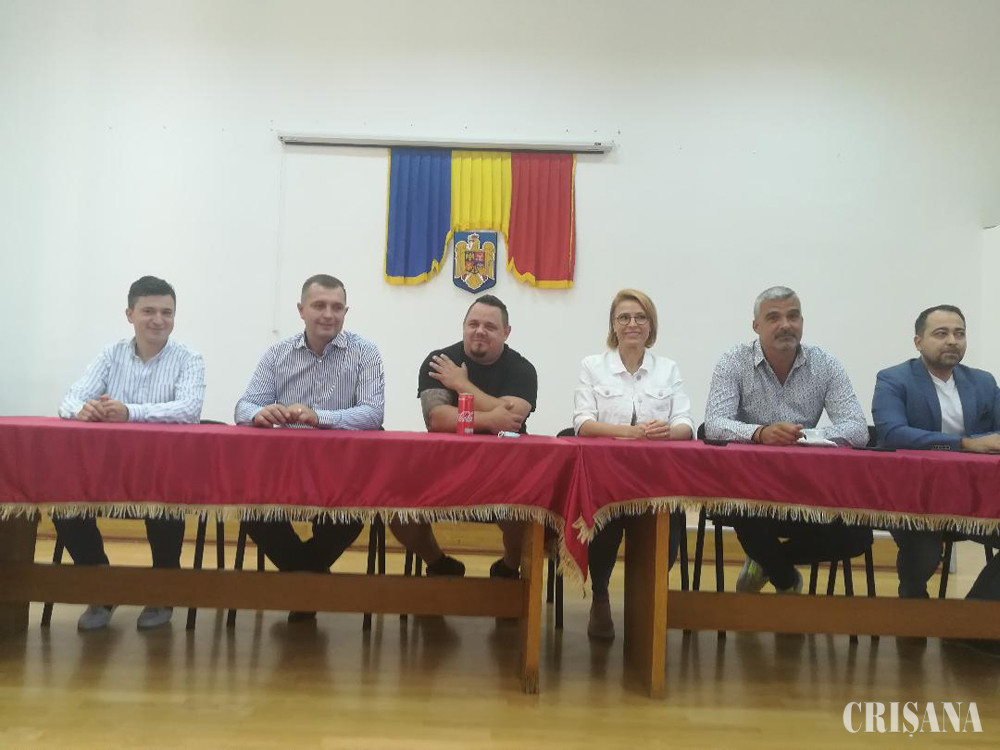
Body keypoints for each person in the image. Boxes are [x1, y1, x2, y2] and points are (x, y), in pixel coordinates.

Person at [55, 275, 205, 630]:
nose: (158, 320)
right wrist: (83, 410)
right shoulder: (111, 354)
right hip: (105, 473)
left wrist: (129, 412)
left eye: (167, 312)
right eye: (149, 311)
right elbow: (70, 399)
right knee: (63, 506)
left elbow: (189, 410)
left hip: (162, 474)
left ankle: (161, 592)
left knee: (166, 505)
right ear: (130, 314)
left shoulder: (189, 358)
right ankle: (102, 587)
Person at [234, 274, 384, 620]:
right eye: (319, 306)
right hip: (282, 474)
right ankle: (309, 582)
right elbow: (244, 406)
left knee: (352, 516)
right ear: (301, 310)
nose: (328, 314)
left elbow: (373, 413)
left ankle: (300, 587)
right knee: (253, 511)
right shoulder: (278, 353)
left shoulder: (365, 352)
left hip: (342, 476)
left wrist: (320, 417)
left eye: (336, 307)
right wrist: (258, 413)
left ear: (346, 312)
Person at [704, 285, 871, 594]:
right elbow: (713, 424)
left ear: (802, 322)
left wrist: (805, 437)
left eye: (793, 317)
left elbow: (858, 429)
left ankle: (765, 561)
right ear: (756, 326)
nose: (785, 325)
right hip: (749, 486)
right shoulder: (733, 361)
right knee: (743, 509)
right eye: (774, 317)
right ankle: (785, 579)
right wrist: (760, 433)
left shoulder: (826, 364)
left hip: (810, 486)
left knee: (859, 535)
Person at [572, 289, 694, 640]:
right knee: (605, 525)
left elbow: (686, 425)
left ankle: (648, 599)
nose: (632, 324)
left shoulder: (667, 369)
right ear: (613, 325)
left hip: (655, 481)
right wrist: (628, 433)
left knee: (669, 523)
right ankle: (600, 596)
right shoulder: (592, 366)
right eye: (624, 317)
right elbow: (582, 423)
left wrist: (667, 433)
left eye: (641, 317)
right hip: (606, 480)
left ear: (651, 325)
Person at [872, 304, 1000, 636]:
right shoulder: (894, 379)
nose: (952, 341)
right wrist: (965, 444)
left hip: (975, 499)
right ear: (918, 342)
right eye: (941, 334)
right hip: (915, 498)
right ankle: (913, 607)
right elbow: (892, 433)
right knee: (925, 552)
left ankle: (973, 618)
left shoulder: (983, 382)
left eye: (959, 333)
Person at [394, 295, 537, 579]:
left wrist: (461, 384)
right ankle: (438, 563)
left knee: (525, 511)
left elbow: (513, 417)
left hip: (505, 472)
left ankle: (509, 566)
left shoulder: (522, 369)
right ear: (463, 326)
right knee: (396, 507)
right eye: (473, 324)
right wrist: (490, 419)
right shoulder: (440, 362)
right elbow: (437, 419)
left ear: (506, 332)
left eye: (490, 326)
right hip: (442, 470)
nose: (479, 331)